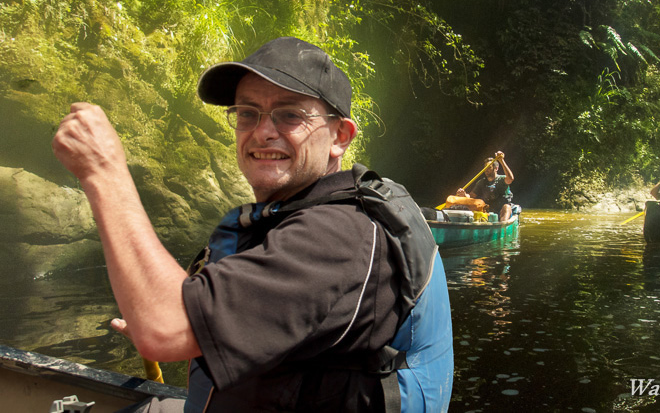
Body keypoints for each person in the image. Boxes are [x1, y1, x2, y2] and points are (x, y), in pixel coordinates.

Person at [52, 37, 453, 412]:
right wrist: (167, 315)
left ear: (340, 137)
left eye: (290, 115)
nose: (262, 132)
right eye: (247, 114)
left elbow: (166, 327)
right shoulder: (294, 214)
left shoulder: (339, 237)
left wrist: (103, 171)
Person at [456, 151, 515, 221]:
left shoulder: (502, 179)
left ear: (496, 168)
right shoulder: (481, 182)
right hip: (488, 210)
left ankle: (502, 225)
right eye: (485, 168)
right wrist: (464, 195)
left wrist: (501, 161)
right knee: (474, 205)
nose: (486, 170)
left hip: (502, 210)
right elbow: (471, 196)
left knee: (507, 207)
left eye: (489, 167)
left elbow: (510, 179)